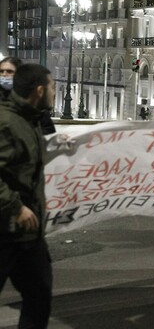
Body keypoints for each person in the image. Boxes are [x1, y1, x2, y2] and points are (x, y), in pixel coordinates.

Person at [0, 63, 56, 328]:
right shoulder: (7, 122)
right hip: (6, 230)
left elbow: (28, 162)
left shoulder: (30, 119)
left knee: (39, 295)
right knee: (38, 296)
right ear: (40, 90)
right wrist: (16, 208)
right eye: (53, 87)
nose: (55, 93)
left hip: (27, 235)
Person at [1, 57, 55, 135]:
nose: (4, 75)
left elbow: (47, 129)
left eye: (9, 71)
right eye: (1, 71)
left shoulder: (32, 101)